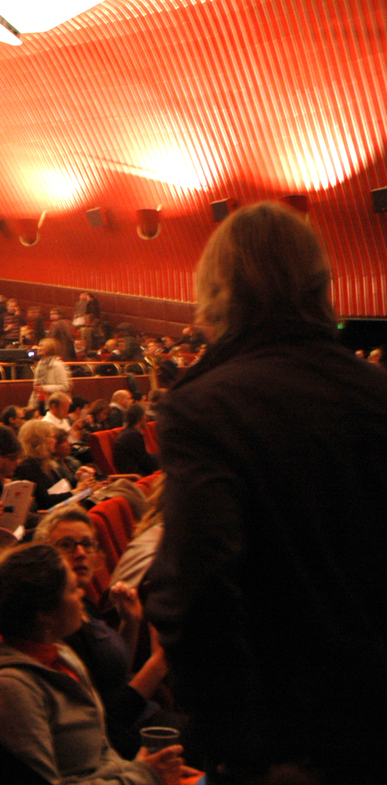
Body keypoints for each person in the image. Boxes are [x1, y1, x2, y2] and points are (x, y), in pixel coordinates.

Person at [146, 202, 387, 783]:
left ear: (217, 292)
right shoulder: (377, 392)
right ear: (320, 284)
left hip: (290, 742)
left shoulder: (205, 407)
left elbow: (197, 588)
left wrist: (241, 747)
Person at [0, 544, 185, 785]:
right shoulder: (7, 689)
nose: (83, 595)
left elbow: (101, 753)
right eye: (73, 589)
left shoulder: (60, 654)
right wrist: (143, 776)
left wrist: (141, 771)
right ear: (45, 614)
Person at [34, 506, 178, 758]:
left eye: (87, 544)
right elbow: (107, 718)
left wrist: (130, 622)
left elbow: (114, 671)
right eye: (67, 545)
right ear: (45, 555)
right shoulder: (60, 624)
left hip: (144, 717)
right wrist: (158, 664)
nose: (80, 553)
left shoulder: (83, 604)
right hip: (128, 741)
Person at [14, 420, 95, 511]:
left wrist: (77, 479)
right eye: (52, 437)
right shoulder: (27, 467)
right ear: (41, 440)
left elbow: (61, 488)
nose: (55, 441)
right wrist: (76, 491)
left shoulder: (48, 461)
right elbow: (44, 501)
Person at [112, 403, 159, 476]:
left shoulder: (127, 432)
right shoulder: (133, 435)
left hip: (134, 472)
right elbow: (145, 462)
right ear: (141, 418)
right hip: (135, 475)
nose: (146, 420)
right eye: (145, 416)